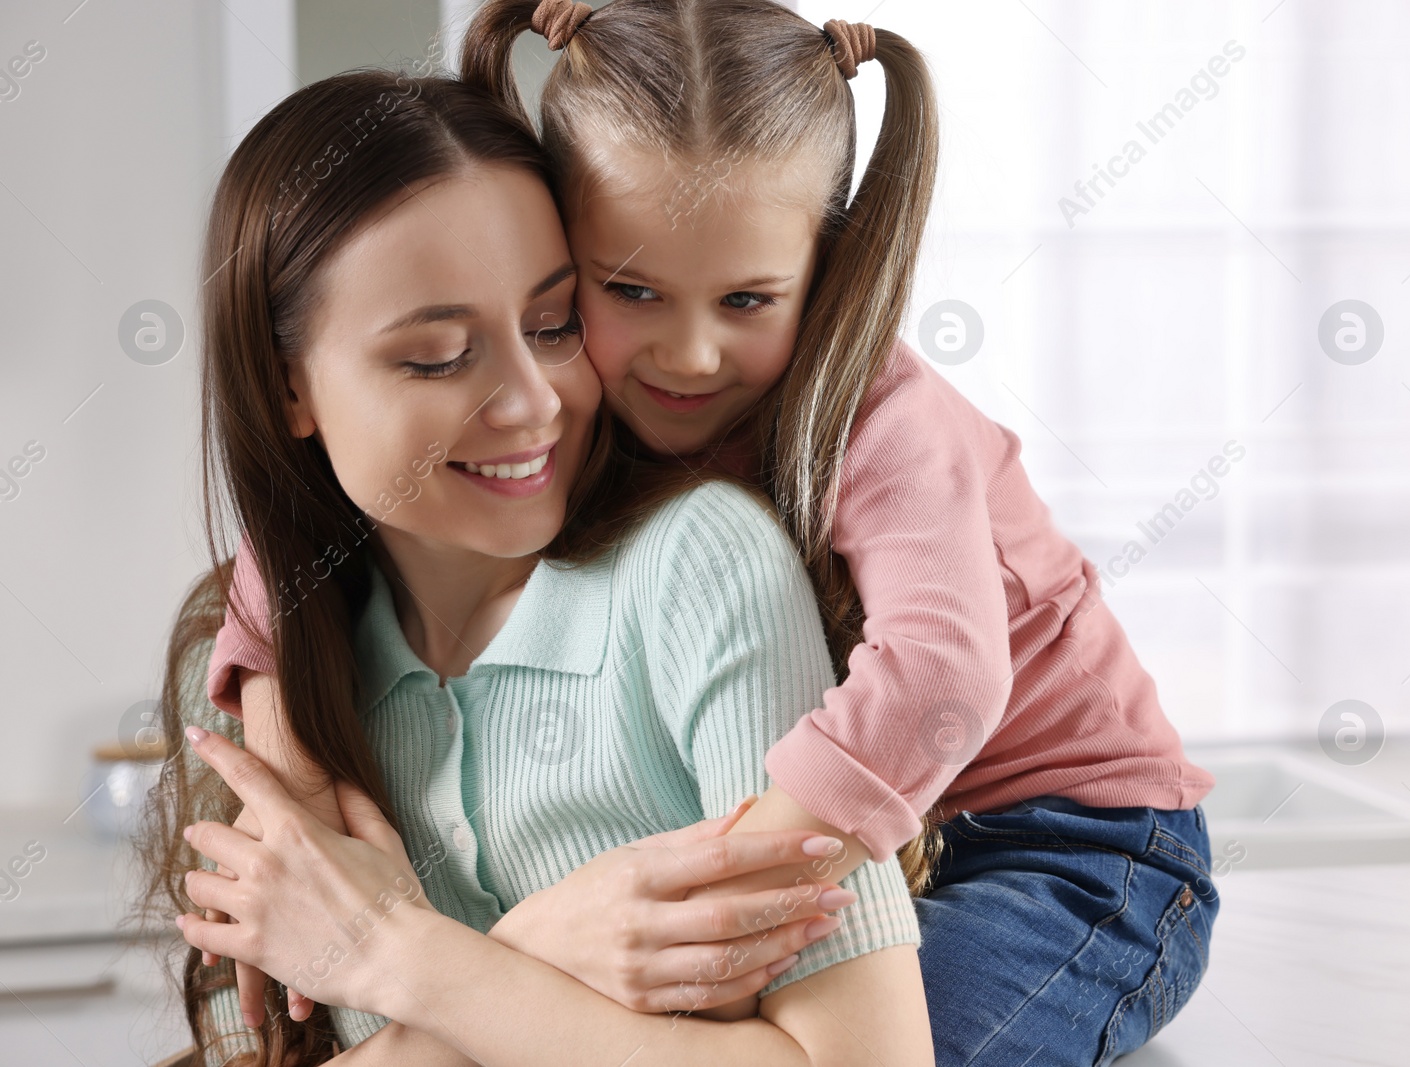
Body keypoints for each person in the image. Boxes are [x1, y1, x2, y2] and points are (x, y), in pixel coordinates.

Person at [208, 0, 1221, 1061]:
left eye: (746, 298)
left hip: (1074, 844)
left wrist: (694, 884)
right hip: (879, 836)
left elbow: (942, 679)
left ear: (821, 269)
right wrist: (286, 759)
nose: (688, 355)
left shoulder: (880, 417)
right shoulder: (568, 403)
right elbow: (303, 515)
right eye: (629, 289)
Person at [141, 67, 928, 1066]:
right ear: (288, 384)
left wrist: (402, 958)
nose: (531, 402)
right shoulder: (257, 675)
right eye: (434, 356)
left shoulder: (696, 571)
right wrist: (535, 952)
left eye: (555, 326)